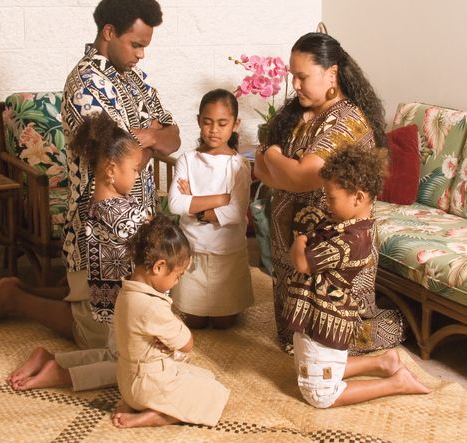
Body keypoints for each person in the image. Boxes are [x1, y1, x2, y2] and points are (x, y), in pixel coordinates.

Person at [0, 0, 180, 350]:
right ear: (109, 33)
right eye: (136, 44)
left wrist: (153, 136)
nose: (142, 54)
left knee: (122, 309)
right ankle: (16, 300)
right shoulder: (85, 85)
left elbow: (173, 135)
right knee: (100, 336)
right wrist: (146, 138)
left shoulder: (135, 78)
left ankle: (16, 289)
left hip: (137, 214)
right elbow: (121, 160)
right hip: (97, 222)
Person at [253, 32, 405, 354]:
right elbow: (260, 171)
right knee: (293, 338)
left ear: (331, 73)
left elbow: (300, 176)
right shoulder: (298, 113)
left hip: (332, 245)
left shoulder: (347, 121)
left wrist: (273, 156)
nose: (294, 84)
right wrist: (280, 166)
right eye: (292, 76)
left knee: (329, 340)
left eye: (302, 76)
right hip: (292, 246)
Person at [7, 112, 145, 391]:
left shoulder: (92, 207)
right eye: (135, 169)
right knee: (135, 369)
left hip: (105, 310)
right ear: (111, 170)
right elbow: (151, 240)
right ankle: (61, 375)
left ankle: (53, 359)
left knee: (114, 354)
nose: (138, 175)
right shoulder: (125, 215)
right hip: (121, 314)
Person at [283, 145, 430, 408]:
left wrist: (300, 240)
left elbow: (304, 262)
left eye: (331, 198)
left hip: (327, 317)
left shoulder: (353, 240)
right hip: (314, 312)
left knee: (319, 394)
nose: (327, 204)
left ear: (358, 198)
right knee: (309, 366)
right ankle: (383, 362)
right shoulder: (341, 223)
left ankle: (397, 383)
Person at [112, 215, 230, 428]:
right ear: (159, 267)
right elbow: (187, 344)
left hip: (127, 382)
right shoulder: (151, 305)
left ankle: (135, 405)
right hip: (146, 387)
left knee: (204, 375)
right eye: (177, 276)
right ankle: (156, 416)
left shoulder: (126, 291)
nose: (176, 281)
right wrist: (175, 320)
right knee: (215, 393)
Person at [168, 89, 253, 329]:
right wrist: (222, 198)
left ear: (235, 124)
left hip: (226, 250)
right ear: (198, 121)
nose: (214, 130)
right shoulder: (187, 159)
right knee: (194, 320)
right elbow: (175, 204)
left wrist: (194, 204)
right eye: (207, 122)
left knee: (223, 322)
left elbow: (237, 212)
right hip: (193, 247)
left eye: (222, 123)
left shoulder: (239, 164)